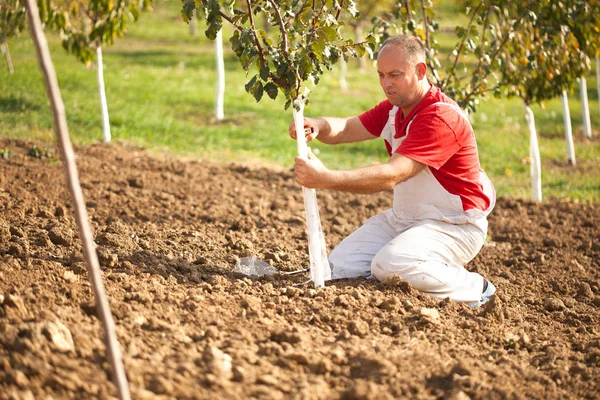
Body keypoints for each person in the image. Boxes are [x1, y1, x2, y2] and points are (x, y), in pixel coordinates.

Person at [289, 35, 496, 308]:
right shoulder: (394, 108)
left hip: (453, 225)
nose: (387, 84)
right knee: (337, 268)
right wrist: (317, 125)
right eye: (381, 75)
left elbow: (392, 175)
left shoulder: (440, 118)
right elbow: (349, 128)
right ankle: (406, 269)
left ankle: (476, 288)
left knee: (390, 265)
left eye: (395, 75)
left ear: (420, 71)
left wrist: (326, 179)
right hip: (405, 219)